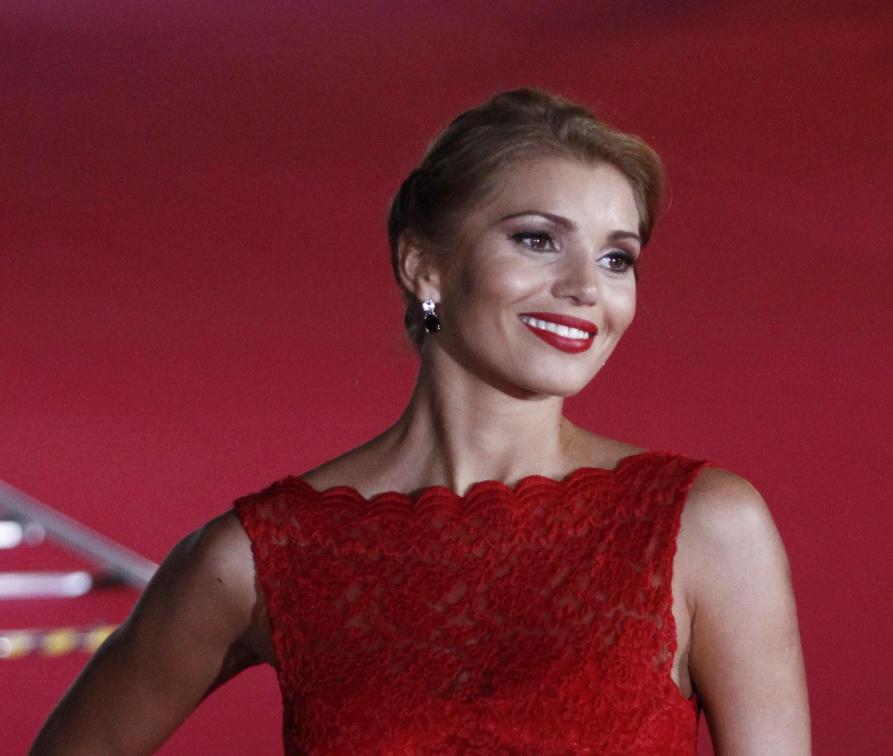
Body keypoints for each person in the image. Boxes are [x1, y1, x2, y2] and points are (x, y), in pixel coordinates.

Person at [30, 88, 810, 756]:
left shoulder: (702, 528)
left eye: (617, 258)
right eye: (537, 240)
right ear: (424, 265)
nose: (586, 288)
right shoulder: (262, 557)